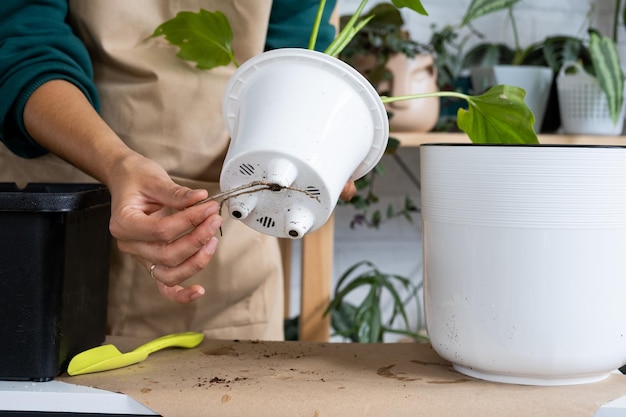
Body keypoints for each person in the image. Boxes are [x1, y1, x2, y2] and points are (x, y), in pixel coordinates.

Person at [0, 0, 354, 339]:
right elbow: (22, 43)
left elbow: (296, 60)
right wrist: (115, 162)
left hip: (227, 265)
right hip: (51, 221)